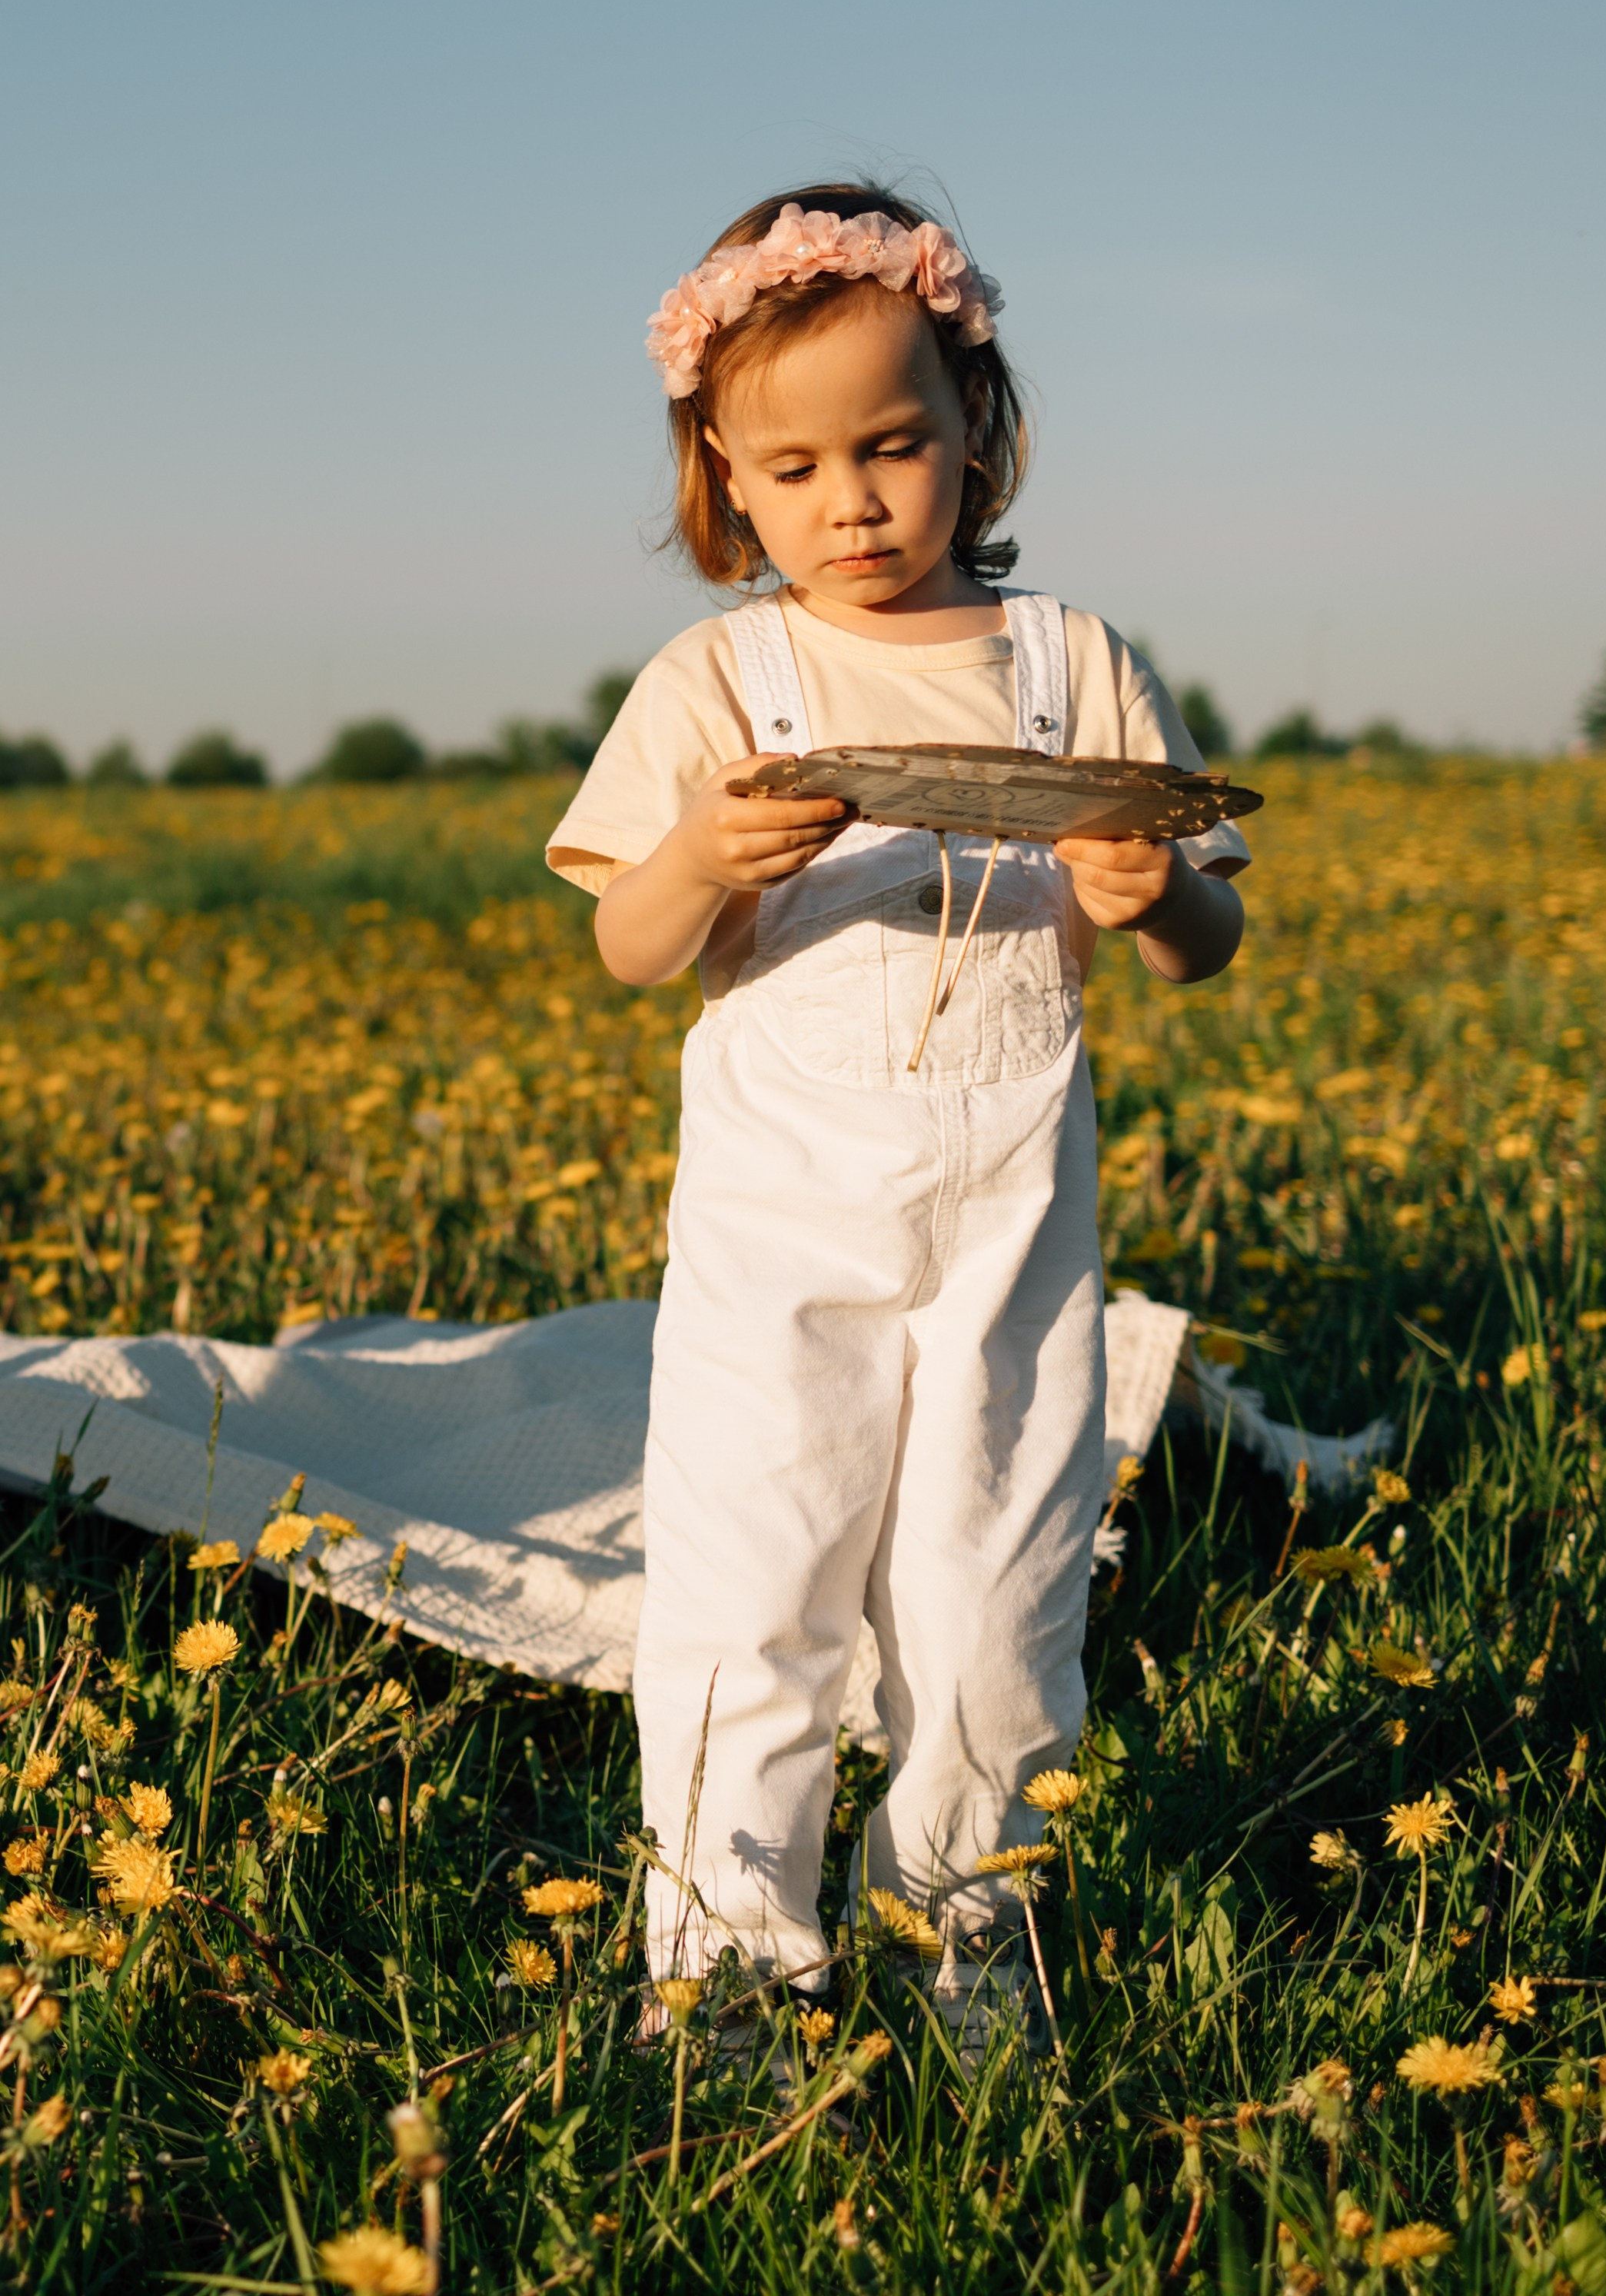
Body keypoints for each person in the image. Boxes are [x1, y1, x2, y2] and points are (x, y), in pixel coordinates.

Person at [547, 183, 1247, 2002]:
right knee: (751, 1570)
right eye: (791, 469)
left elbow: (1205, 935)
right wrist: (704, 852)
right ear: (721, 473)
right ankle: (725, 1960)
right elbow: (630, 944)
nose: (849, 501)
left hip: (1011, 1208)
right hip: (781, 1214)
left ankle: (976, 1909)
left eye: (895, 445)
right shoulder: (722, 678)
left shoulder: (1069, 666)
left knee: (998, 1578)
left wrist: (1149, 886)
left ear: (974, 431)